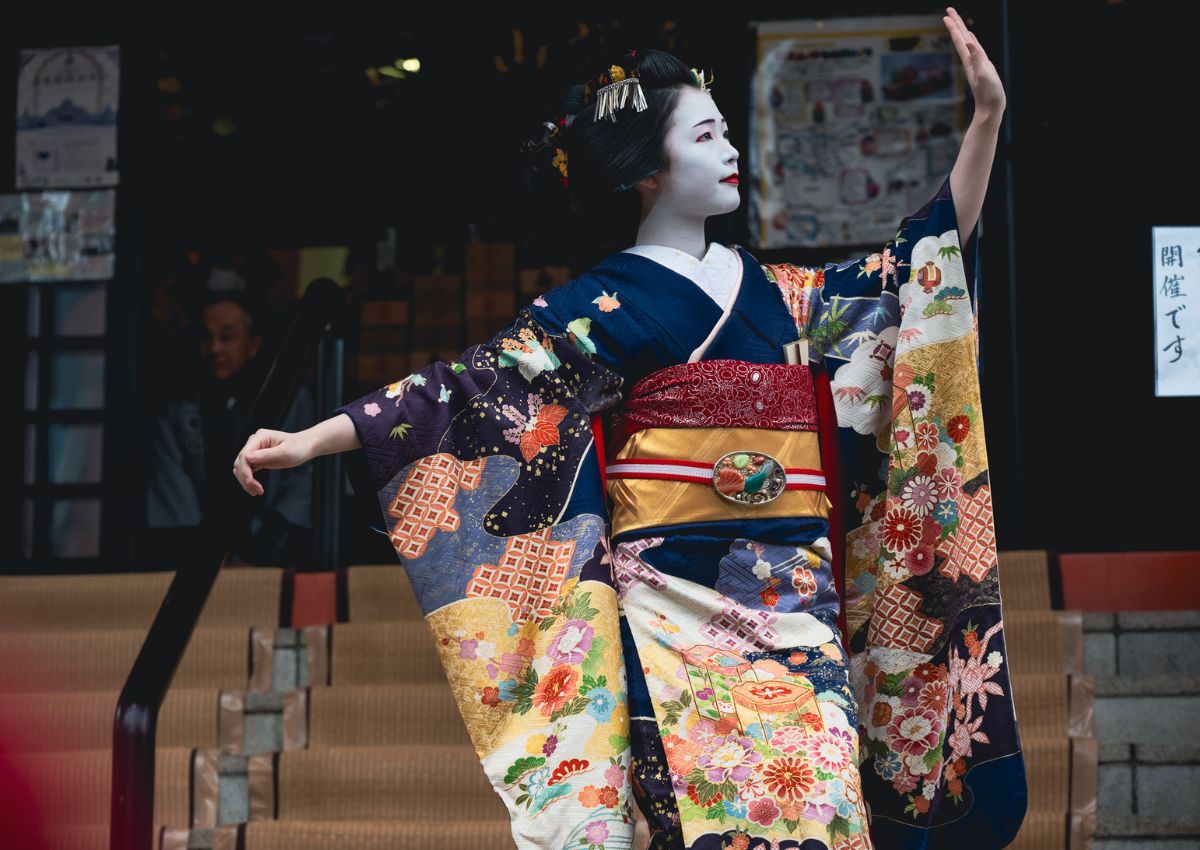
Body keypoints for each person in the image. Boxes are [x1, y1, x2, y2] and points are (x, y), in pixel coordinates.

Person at [233, 10, 1024, 848]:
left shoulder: (780, 293)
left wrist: (985, 122)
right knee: (706, 824)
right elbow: (460, 390)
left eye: (727, 135)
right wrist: (309, 440)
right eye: (708, 135)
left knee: (821, 815)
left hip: (795, 605)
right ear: (648, 167)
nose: (731, 153)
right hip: (669, 616)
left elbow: (918, 266)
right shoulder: (599, 306)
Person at [147, 289, 316, 568]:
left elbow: (306, 476)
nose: (214, 349)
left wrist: (268, 539)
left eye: (227, 337)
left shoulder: (290, 398)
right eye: (206, 337)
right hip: (196, 548)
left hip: (276, 544)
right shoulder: (179, 405)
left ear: (253, 344)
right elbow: (171, 484)